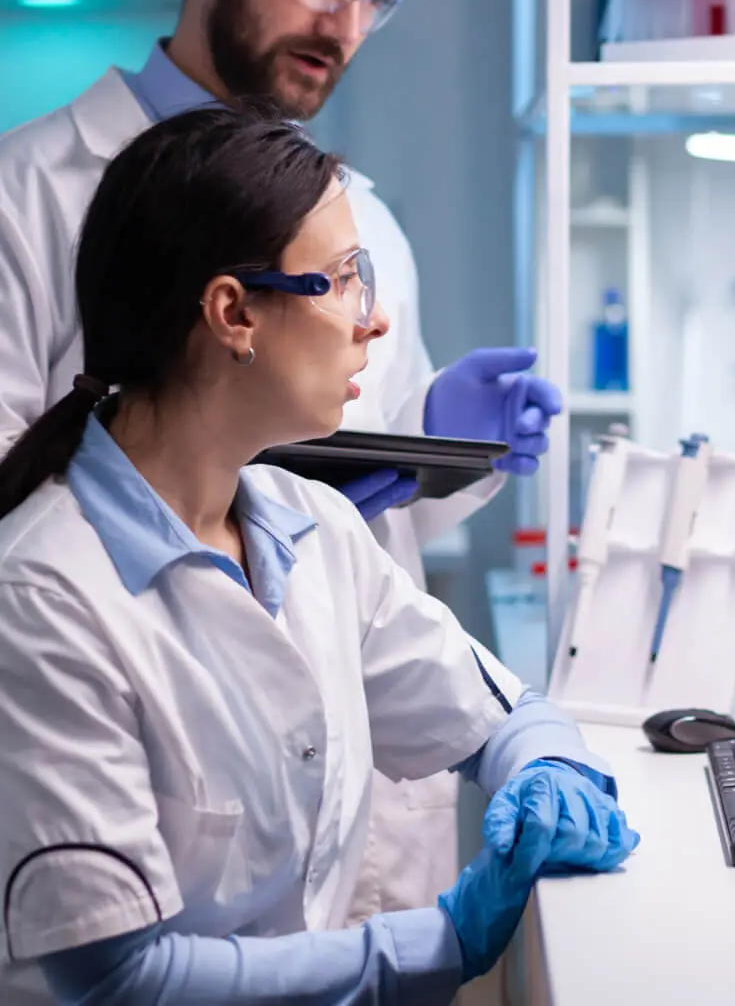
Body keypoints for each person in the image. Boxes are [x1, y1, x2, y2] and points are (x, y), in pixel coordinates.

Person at [0, 0, 554, 915]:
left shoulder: (363, 220)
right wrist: (224, 486)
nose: (344, 22)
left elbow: (372, 514)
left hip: (354, 798)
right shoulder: (31, 193)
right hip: (151, 760)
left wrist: (435, 443)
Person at [0, 105, 637, 1006]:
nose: (373, 321)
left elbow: (501, 712)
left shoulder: (311, 525)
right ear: (234, 313)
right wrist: (442, 941)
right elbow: (118, 976)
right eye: (342, 281)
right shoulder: (43, 595)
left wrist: (547, 769)